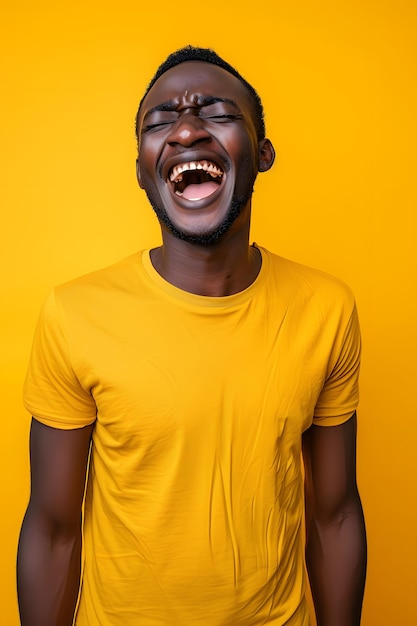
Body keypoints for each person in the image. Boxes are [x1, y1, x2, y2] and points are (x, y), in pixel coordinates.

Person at [17, 46, 367, 625]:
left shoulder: (326, 309)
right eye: (160, 122)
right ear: (142, 168)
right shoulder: (73, 313)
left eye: (216, 113)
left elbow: (334, 514)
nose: (184, 130)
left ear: (263, 153)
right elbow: (53, 530)